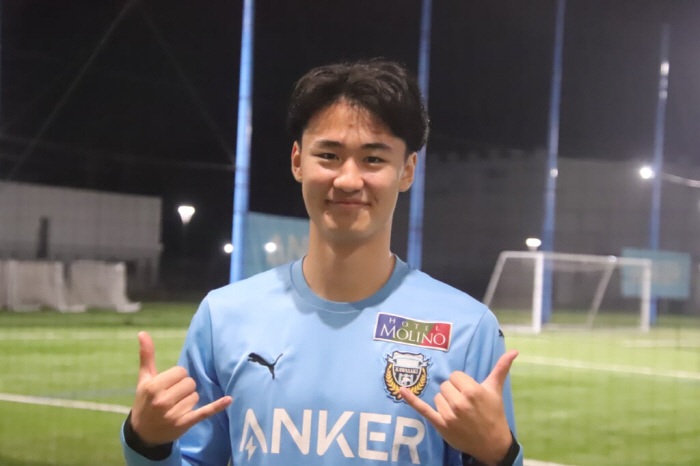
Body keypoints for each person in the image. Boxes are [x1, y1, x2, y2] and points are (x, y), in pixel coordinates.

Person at [121, 58, 523, 466]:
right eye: (329, 155)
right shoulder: (224, 317)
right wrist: (147, 444)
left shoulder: (466, 329)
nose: (348, 180)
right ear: (298, 161)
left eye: (373, 159)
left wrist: (498, 454)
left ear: (407, 170)